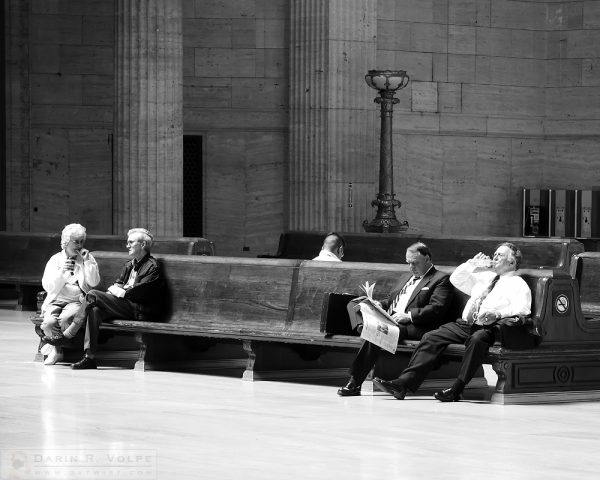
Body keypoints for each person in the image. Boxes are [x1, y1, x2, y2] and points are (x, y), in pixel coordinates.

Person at [373, 242, 534, 402]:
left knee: (477, 340)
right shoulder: (485, 277)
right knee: (431, 337)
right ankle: (403, 384)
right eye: (495, 254)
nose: (495, 257)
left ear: (512, 262)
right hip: (465, 325)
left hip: (489, 328)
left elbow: (523, 309)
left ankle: (457, 389)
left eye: (501, 255)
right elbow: (456, 279)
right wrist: (472, 264)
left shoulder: (518, 284)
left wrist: (498, 313)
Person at [337, 242, 455, 396]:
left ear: (427, 259)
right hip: (392, 319)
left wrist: (409, 316)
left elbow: (437, 308)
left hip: (414, 325)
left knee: (377, 332)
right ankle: (362, 326)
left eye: (415, 263)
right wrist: (380, 304)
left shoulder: (441, 279)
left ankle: (354, 382)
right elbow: (393, 301)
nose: (411, 267)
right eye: (408, 263)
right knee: (356, 303)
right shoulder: (406, 277)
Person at [68, 228, 166, 370]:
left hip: (138, 309)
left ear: (143, 245)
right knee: (94, 310)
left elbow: (138, 292)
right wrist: (119, 290)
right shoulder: (129, 265)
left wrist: (121, 291)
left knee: (93, 294)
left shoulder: (152, 266)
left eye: (131, 242)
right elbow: (117, 284)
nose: (127, 245)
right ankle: (89, 357)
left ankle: (70, 332)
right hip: (124, 306)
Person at [38, 223, 100, 365]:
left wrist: (88, 263)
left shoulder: (87, 258)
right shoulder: (55, 260)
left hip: (76, 301)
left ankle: (58, 348)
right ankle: (57, 351)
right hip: (56, 299)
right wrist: (62, 272)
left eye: (82, 241)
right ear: (66, 242)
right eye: (76, 242)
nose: (79, 245)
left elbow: (94, 282)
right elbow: (47, 286)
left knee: (65, 320)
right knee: (48, 323)